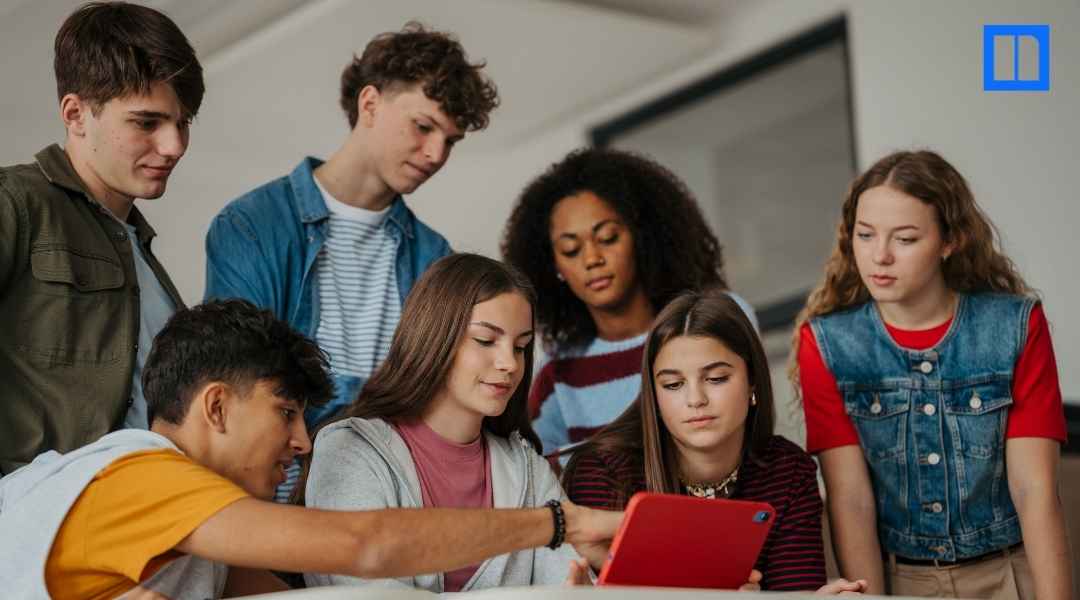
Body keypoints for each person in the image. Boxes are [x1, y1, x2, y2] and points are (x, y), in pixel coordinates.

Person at [0, 299, 622, 598]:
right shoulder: (140, 478)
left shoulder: (198, 529)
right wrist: (555, 523)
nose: (302, 442)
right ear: (216, 407)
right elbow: (364, 545)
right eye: (286, 413)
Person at [203, 23, 499, 497]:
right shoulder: (250, 225)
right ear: (370, 104)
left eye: (451, 140)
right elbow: (243, 387)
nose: (436, 154)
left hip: (397, 499)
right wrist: (385, 400)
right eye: (423, 127)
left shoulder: (435, 254)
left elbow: (444, 399)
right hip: (280, 499)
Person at [792, 150, 1071, 599]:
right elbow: (850, 501)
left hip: (1009, 576)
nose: (879, 256)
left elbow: (1034, 490)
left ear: (950, 241)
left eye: (905, 239)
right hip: (903, 582)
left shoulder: (1015, 326)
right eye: (865, 235)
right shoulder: (826, 344)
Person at [302, 254, 592, 591]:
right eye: (485, 340)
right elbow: (368, 594)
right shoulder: (349, 449)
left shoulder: (527, 466)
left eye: (521, 346)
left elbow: (570, 581)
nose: (510, 363)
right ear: (434, 336)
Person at [0, 1, 201, 474]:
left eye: (183, 122)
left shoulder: (147, 261)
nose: (173, 146)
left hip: (142, 523)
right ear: (75, 114)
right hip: (37, 528)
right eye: (146, 122)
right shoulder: (15, 203)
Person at [562, 288, 864, 594]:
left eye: (716, 379)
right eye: (673, 384)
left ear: (753, 381)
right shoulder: (603, 471)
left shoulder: (788, 470)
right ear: (653, 396)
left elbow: (794, 591)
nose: (696, 399)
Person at [501, 147, 757, 458]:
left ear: (642, 237)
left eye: (608, 238)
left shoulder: (722, 318)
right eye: (571, 250)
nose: (592, 259)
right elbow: (540, 476)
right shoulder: (558, 374)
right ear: (553, 267)